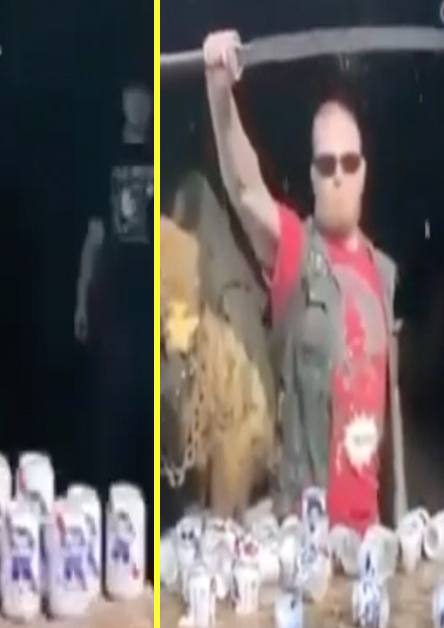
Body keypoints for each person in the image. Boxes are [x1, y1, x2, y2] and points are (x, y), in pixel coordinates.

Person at [202, 30, 404, 530]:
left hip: (368, 538)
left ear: (364, 172)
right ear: (312, 175)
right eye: (326, 163)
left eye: (349, 163)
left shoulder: (383, 274)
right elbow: (245, 190)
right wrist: (219, 91)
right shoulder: (296, 250)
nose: (338, 174)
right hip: (304, 536)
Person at [74, 81, 153, 494]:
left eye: (146, 97)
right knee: (112, 402)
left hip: (152, 300)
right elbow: (94, 234)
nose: (139, 105)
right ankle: (107, 494)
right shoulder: (106, 159)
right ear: (123, 102)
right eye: (133, 96)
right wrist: (80, 301)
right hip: (115, 298)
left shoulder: (161, 155)